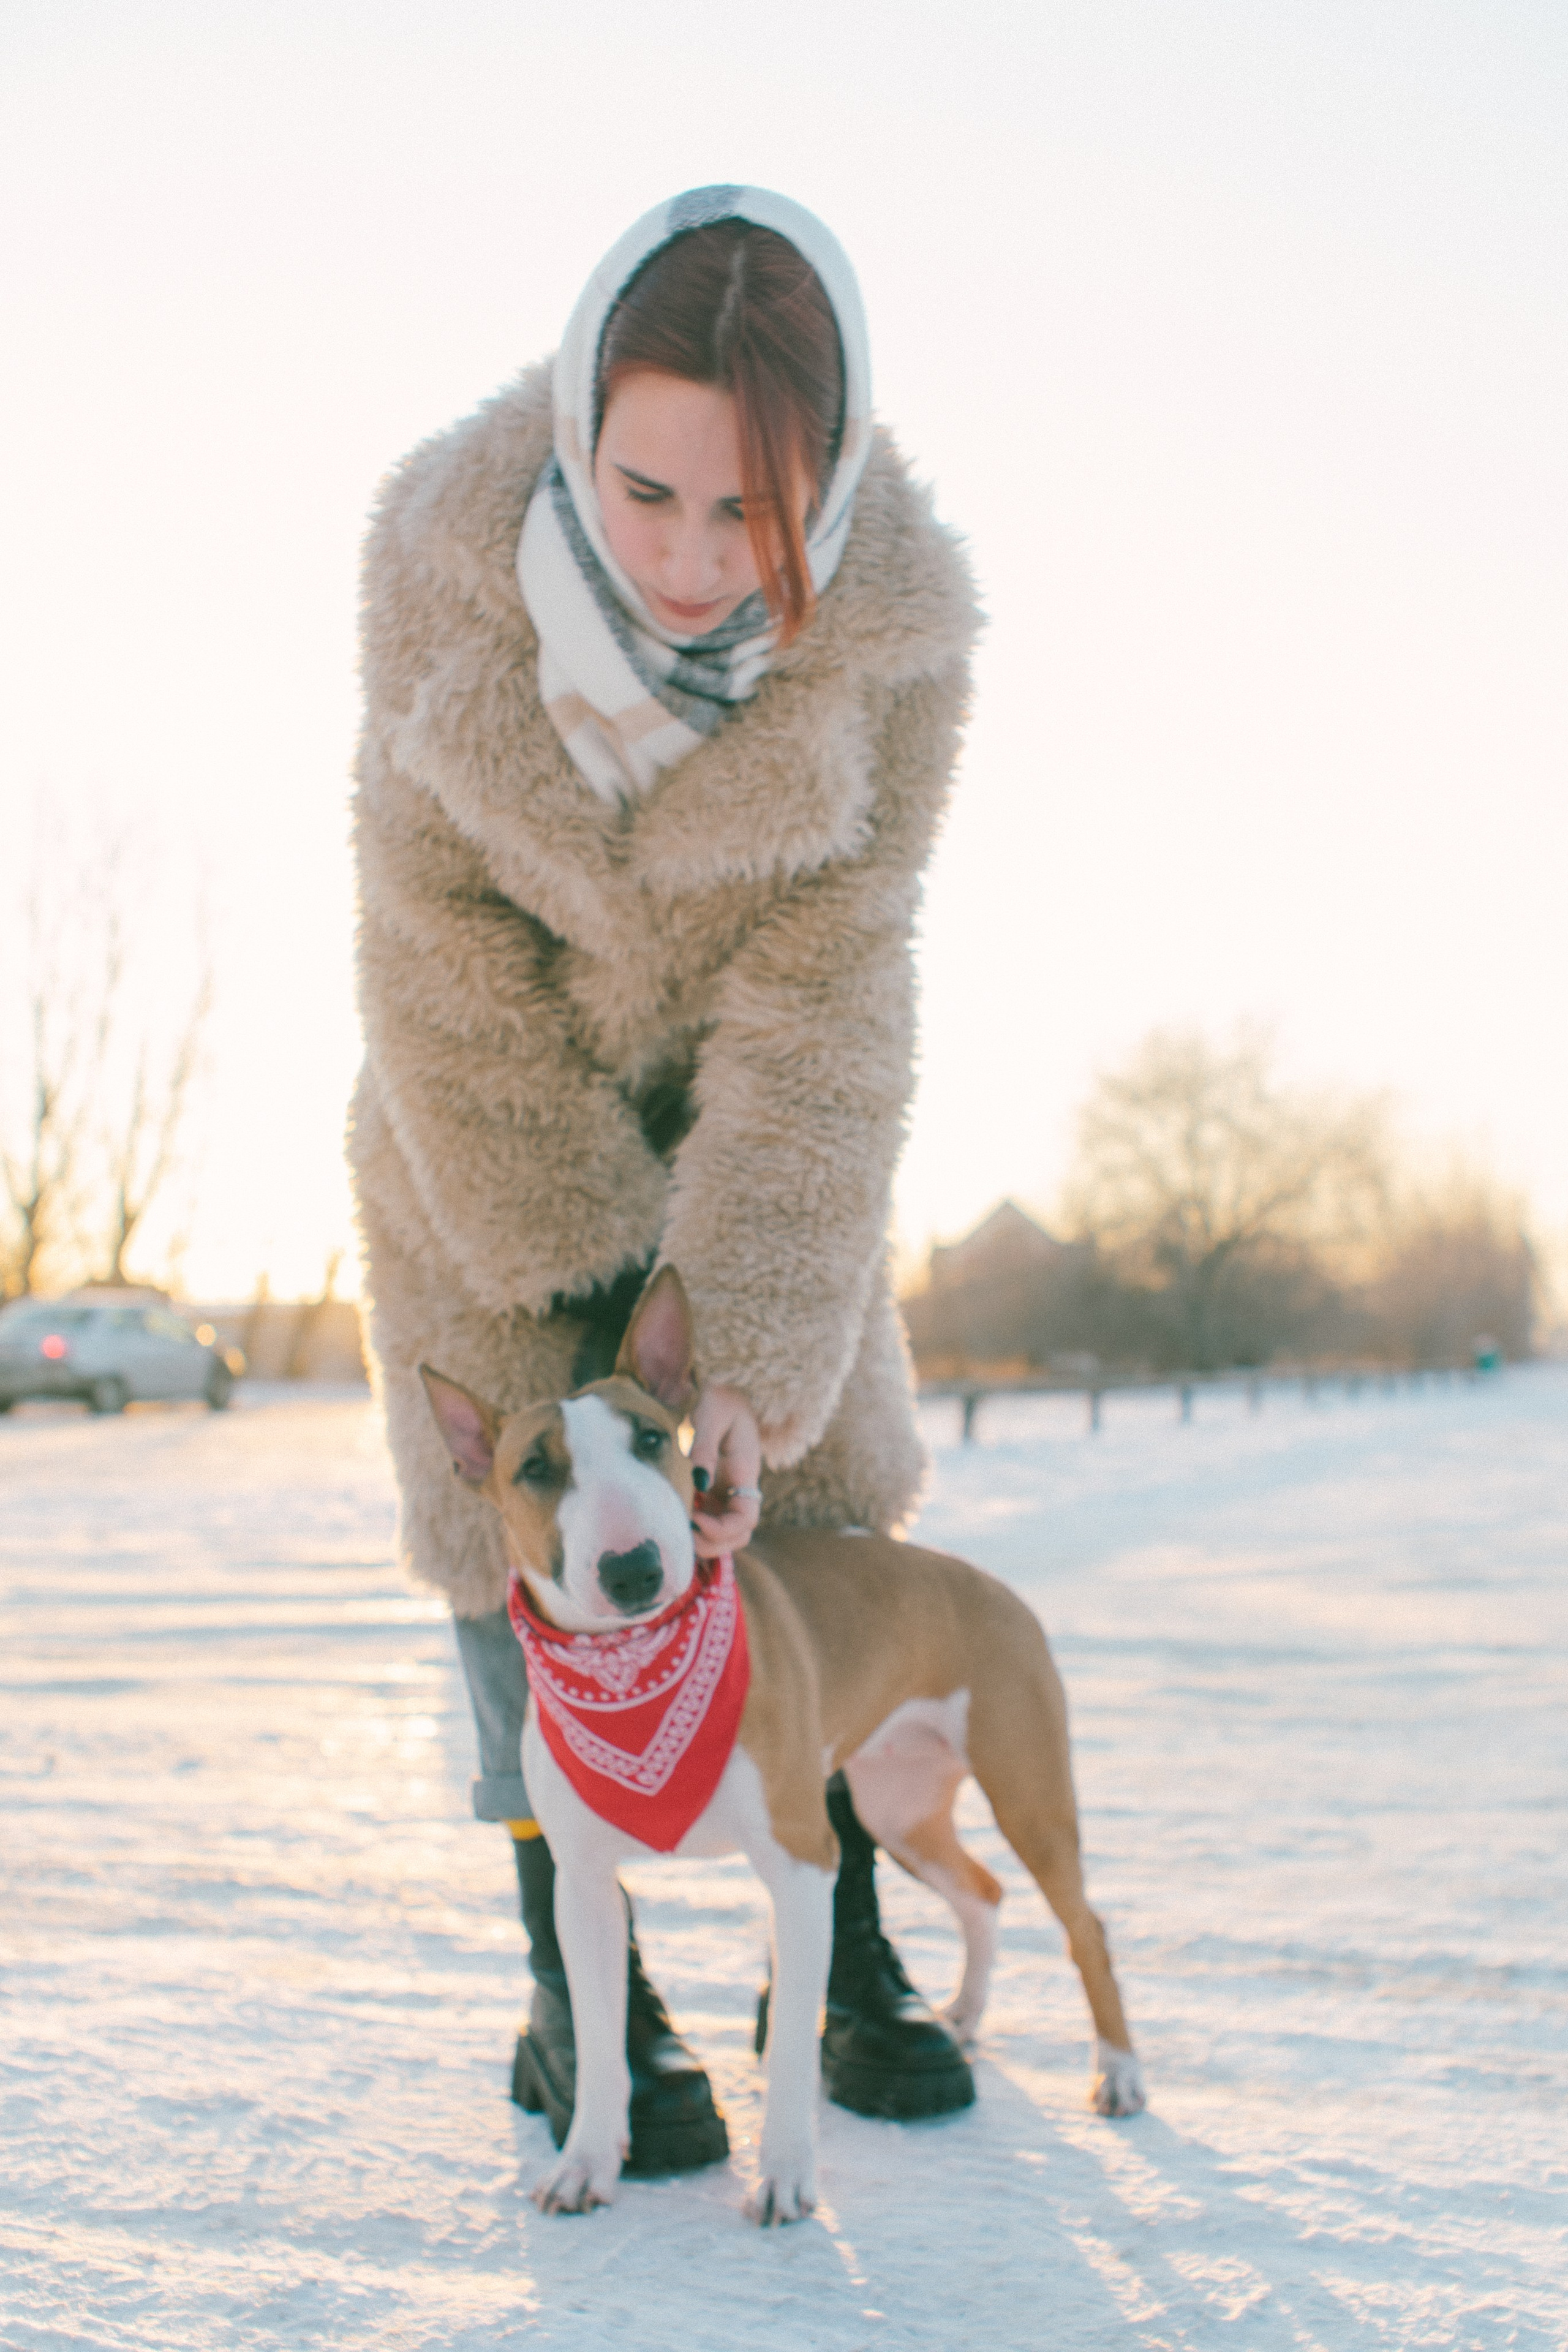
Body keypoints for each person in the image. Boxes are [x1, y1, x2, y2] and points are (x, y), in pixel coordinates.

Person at [350, 185, 981, 2171]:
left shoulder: (885, 669)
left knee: (789, 1511)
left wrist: (735, 1350)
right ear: (571, 430)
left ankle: (843, 1948)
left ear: (836, 485)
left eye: (755, 518)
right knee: (520, 1544)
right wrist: (583, 1321)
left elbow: (828, 1001)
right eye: (650, 496)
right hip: (490, 1159)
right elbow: (430, 954)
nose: (700, 563)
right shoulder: (437, 591)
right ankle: (580, 1998)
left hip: (741, 1172)